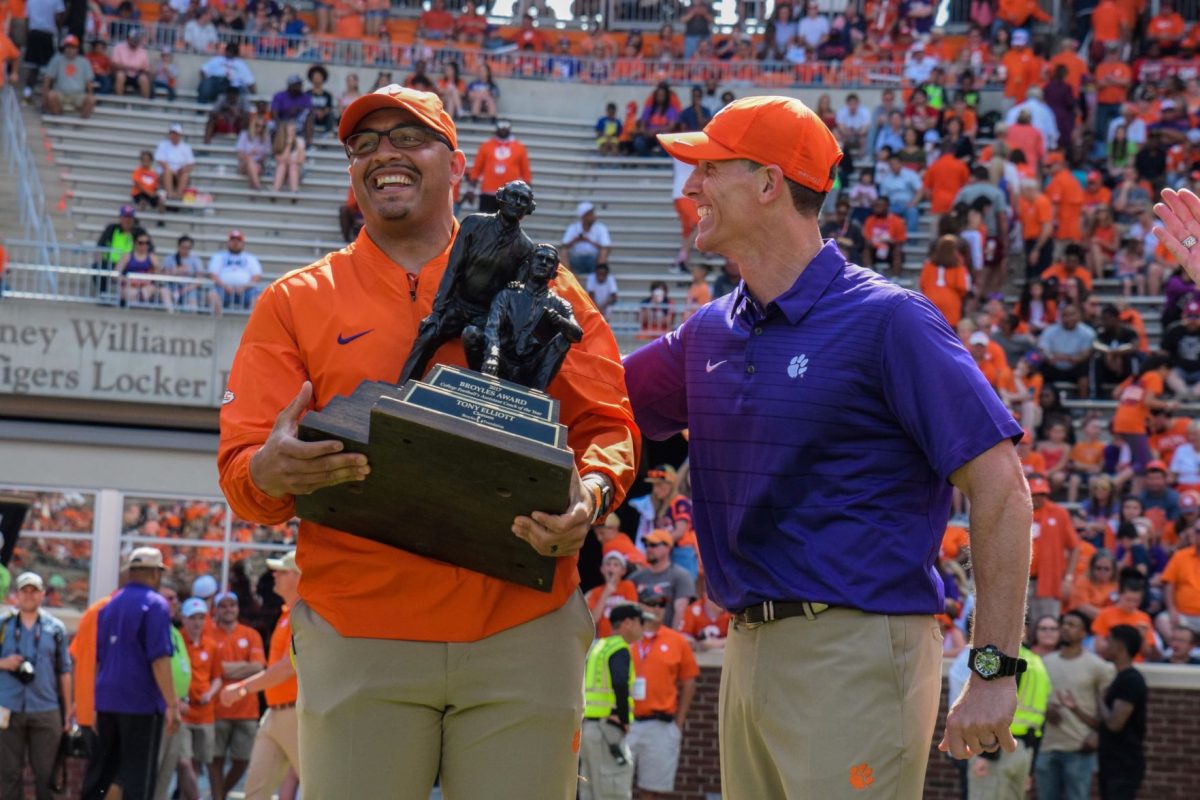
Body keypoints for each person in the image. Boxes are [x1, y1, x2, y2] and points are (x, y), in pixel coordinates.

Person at [216, 85, 637, 799]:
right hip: (359, 627)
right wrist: (271, 468)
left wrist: (590, 499)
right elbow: (244, 475)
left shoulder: (546, 281)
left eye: (408, 137)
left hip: (521, 623)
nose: (383, 153)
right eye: (364, 144)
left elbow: (608, 427)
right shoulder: (295, 299)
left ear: (458, 164)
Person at [625, 95, 1030, 797]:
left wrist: (994, 671)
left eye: (708, 168)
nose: (690, 188)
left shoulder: (890, 320)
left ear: (768, 183)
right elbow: (598, 400)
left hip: (856, 646)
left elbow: (1002, 489)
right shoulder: (709, 330)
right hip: (747, 646)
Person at [82, 548, 180, 800]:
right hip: (141, 704)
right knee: (138, 777)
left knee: (101, 774)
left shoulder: (110, 604)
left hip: (107, 700)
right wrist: (172, 705)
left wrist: (93, 702)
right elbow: (159, 659)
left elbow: (99, 658)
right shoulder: (156, 604)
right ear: (155, 573)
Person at [219, 551, 302, 800]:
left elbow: (288, 667)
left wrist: (243, 687)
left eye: (283, 571)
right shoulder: (288, 614)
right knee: (255, 793)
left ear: (300, 577)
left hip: (296, 716)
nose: (274, 575)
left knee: (319, 790)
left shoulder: (306, 615)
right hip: (275, 714)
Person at [0, 573, 72, 800]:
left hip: (45, 706)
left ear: (42, 594)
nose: (29, 596)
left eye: (34, 591)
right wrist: (4, 663)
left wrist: (68, 711)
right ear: (17, 595)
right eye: (24, 591)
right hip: (7, 706)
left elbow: (65, 671)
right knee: (8, 774)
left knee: (47, 775)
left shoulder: (55, 628)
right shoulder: (3, 624)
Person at [1037, 610, 1115, 800]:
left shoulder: (1099, 667)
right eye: (1064, 623)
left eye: (1072, 625)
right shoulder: (1045, 663)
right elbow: (1032, 699)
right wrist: (1046, 710)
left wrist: (1097, 735)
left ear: (1084, 633)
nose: (1065, 628)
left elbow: (1107, 708)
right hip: (1048, 747)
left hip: (1079, 748)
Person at [627, 594, 698, 799]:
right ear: (639, 605)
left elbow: (689, 682)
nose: (656, 608)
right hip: (626, 721)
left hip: (660, 722)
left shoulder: (677, 641)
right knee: (614, 781)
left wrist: (680, 721)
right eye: (650, 603)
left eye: (661, 604)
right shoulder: (627, 635)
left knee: (652, 788)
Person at [967, 642, 1050, 800]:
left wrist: (985, 754)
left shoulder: (1008, 657)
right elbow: (1041, 718)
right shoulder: (1037, 662)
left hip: (998, 750)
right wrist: (1030, 769)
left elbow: (995, 707)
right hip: (1024, 752)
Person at [579, 604, 645, 800]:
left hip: (589, 727)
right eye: (640, 622)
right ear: (627, 623)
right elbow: (619, 682)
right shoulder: (619, 648)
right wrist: (624, 718)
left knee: (589, 790)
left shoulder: (598, 647)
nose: (642, 628)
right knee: (612, 789)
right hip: (607, 728)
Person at [209, 592, 265, 800]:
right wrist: (244, 667)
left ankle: (221, 794)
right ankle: (217, 796)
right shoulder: (209, 634)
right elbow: (208, 669)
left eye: (232, 605)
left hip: (247, 709)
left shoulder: (251, 634)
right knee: (215, 759)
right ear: (216, 610)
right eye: (223, 606)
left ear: (238, 608)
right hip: (217, 709)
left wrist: (224, 670)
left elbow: (258, 667)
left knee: (242, 760)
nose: (228, 609)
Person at [1093, 625, 1149, 799]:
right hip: (1111, 762)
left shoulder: (1130, 680)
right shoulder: (1119, 678)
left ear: (1120, 646)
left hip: (1123, 764)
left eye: (1108, 640)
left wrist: (1100, 699)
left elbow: (1115, 723)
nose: (1104, 646)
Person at [178, 597, 224, 800]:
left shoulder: (211, 645)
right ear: (183, 619)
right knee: (183, 762)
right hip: (183, 712)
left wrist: (211, 693)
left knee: (197, 765)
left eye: (200, 618)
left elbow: (217, 677)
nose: (197, 623)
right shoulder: (176, 641)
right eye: (192, 618)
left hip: (205, 714)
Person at [629, 530, 695, 631]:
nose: (649, 549)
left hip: (666, 636)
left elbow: (680, 612)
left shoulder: (681, 575)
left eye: (653, 545)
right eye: (646, 545)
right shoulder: (635, 578)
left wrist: (673, 639)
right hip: (639, 638)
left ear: (668, 547)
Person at [469, 119, 531, 213]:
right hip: (488, 193)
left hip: (510, 194)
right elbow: (477, 169)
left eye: (505, 128)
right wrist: (471, 189)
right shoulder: (486, 146)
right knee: (486, 224)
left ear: (510, 129)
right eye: (501, 128)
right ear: (496, 128)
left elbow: (526, 172)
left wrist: (528, 194)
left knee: (508, 224)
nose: (503, 130)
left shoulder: (519, 147)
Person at [207, 230, 262, 314]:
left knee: (258, 298)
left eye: (238, 241)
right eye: (233, 240)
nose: (235, 243)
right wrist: (225, 286)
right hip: (223, 289)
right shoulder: (218, 257)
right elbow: (213, 275)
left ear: (243, 243)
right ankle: (217, 322)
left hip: (246, 290)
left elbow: (257, 276)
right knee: (212, 294)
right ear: (228, 242)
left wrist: (244, 287)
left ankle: (251, 325)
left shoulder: (251, 258)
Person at [42, 34, 95, 118]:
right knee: (51, 96)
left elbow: (89, 82)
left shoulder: (84, 62)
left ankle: (80, 125)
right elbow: (48, 79)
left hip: (78, 94)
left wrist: (90, 94)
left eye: (73, 47)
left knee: (91, 100)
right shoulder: (56, 60)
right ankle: (58, 121)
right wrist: (44, 97)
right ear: (64, 48)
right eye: (68, 47)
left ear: (77, 49)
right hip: (60, 93)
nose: (70, 49)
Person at [561, 201, 611, 276]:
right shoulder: (573, 228)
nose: (594, 216)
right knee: (563, 251)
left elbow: (607, 247)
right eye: (590, 214)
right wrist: (576, 240)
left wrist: (589, 241)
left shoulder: (601, 228)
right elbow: (564, 245)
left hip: (593, 260)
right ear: (584, 216)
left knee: (604, 251)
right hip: (576, 259)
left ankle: (598, 279)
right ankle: (570, 278)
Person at [154, 123, 196, 200]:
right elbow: (160, 161)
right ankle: (170, 194)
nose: (174, 136)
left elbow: (190, 164)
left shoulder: (186, 147)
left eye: (176, 134)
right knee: (167, 172)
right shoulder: (163, 145)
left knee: (185, 174)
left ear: (180, 135)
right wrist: (172, 171)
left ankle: (178, 195)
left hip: (179, 173)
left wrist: (182, 170)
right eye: (172, 133)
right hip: (166, 172)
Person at [112, 27, 151, 97]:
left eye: (137, 40)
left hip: (137, 74)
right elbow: (114, 64)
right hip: (123, 72)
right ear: (128, 38)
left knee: (144, 79)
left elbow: (147, 69)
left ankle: (145, 104)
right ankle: (119, 101)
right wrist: (127, 67)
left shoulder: (143, 51)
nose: (135, 42)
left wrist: (140, 69)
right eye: (133, 40)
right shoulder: (119, 47)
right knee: (120, 75)